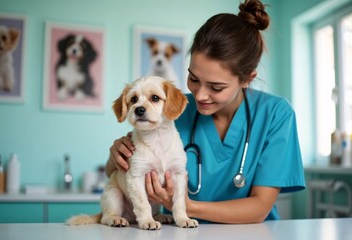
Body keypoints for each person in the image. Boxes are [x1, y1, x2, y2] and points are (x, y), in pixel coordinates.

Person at [106, 0, 305, 224]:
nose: (199, 95)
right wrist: (116, 156)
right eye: (193, 78)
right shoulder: (172, 109)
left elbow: (259, 208)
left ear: (247, 79)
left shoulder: (276, 114)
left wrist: (187, 207)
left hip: (251, 233)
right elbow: (116, 174)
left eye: (216, 87)